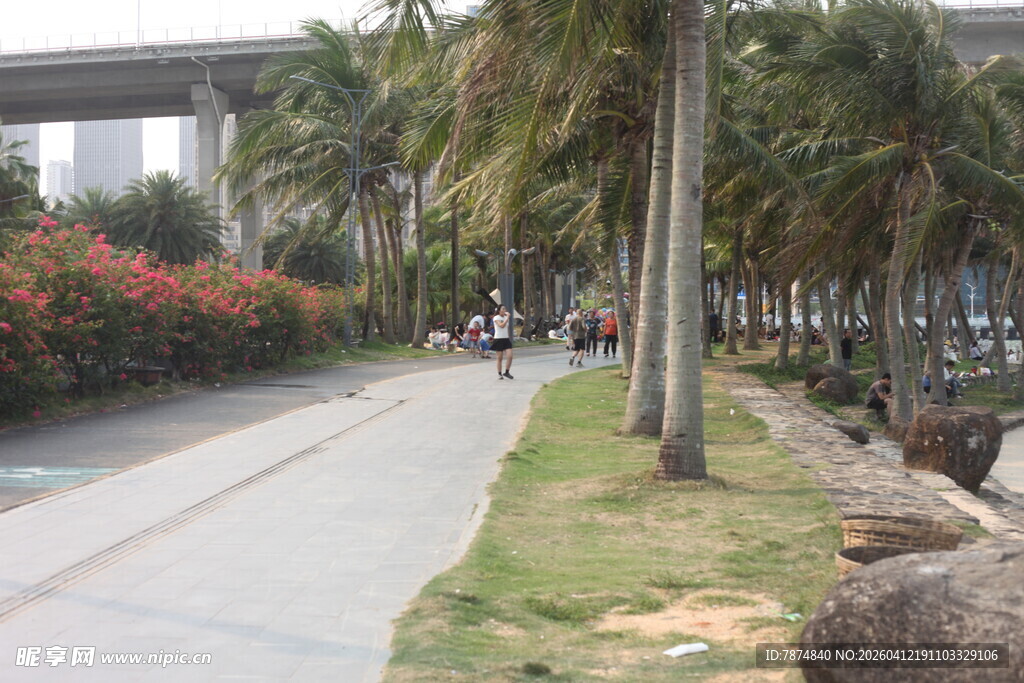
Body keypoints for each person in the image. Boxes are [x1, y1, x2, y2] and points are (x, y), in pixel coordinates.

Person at [492, 305, 514, 380]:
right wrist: (507, 318)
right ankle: (499, 373)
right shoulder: (496, 317)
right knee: (500, 358)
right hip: (498, 339)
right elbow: (501, 325)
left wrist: (508, 336)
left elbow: (506, 328)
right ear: (499, 310)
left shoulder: (505, 317)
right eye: (503, 309)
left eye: (505, 309)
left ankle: (507, 372)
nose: (505, 310)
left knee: (510, 356)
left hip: (506, 338)